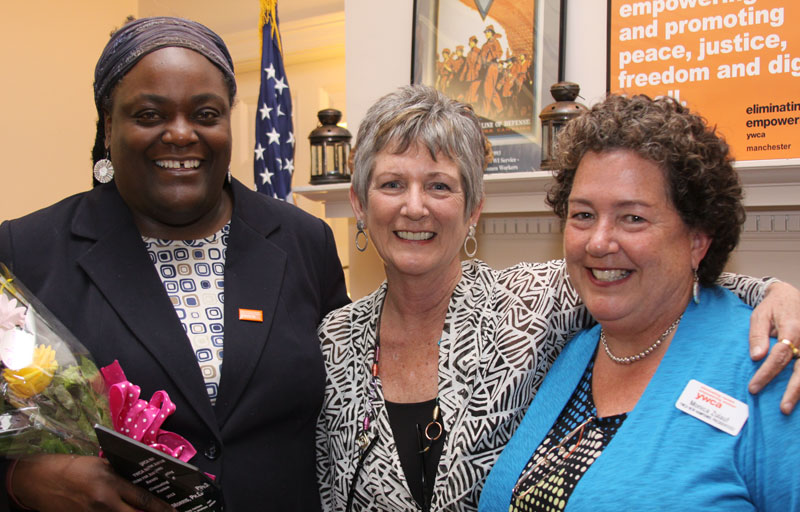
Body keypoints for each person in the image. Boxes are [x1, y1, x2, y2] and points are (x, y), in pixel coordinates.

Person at [315, 85, 800, 512]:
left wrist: (778, 294)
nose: (414, 206)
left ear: (473, 210)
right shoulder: (331, 343)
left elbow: (663, 282)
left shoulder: (530, 303)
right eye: (392, 184)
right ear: (359, 202)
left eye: (439, 186)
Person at [0, 16, 348, 512]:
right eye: (149, 115)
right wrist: (19, 480)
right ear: (107, 125)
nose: (181, 135)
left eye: (206, 114)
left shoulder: (303, 241)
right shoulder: (26, 250)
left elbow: (350, 410)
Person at [479, 95, 800, 511]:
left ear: (697, 241)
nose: (598, 242)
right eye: (583, 215)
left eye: (633, 218)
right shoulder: (566, 350)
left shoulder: (767, 367)